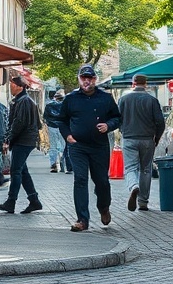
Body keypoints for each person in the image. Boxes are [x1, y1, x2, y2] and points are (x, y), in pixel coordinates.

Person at [58, 64, 121, 232]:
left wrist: (108, 125)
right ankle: (82, 219)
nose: (87, 81)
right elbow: (61, 120)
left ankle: (104, 207)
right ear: (79, 79)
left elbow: (117, 117)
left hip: (99, 146)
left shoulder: (105, 98)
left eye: (90, 78)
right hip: (77, 146)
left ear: (95, 79)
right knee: (80, 179)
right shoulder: (71, 99)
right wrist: (67, 135)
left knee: (101, 182)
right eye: (83, 78)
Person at [0, 75, 43, 214]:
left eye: (13, 85)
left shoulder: (24, 101)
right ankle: (34, 200)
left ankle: (11, 201)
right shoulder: (23, 100)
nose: (11, 87)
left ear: (20, 86)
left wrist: (8, 139)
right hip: (24, 140)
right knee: (22, 171)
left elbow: (18, 123)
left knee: (16, 171)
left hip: (23, 140)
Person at [118, 73, 165, 212]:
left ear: (133, 83)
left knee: (130, 168)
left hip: (129, 138)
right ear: (146, 84)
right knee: (145, 170)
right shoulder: (152, 100)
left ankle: (133, 186)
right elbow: (160, 122)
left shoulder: (123, 99)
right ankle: (143, 202)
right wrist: (156, 137)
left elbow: (117, 118)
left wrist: (122, 130)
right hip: (147, 139)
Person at [43, 90, 68, 173]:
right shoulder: (65, 105)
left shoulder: (49, 105)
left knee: (53, 147)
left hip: (52, 127)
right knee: (63, 146)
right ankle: (63, 164)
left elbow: (45, 117)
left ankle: (53, 164)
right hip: (63, 127)